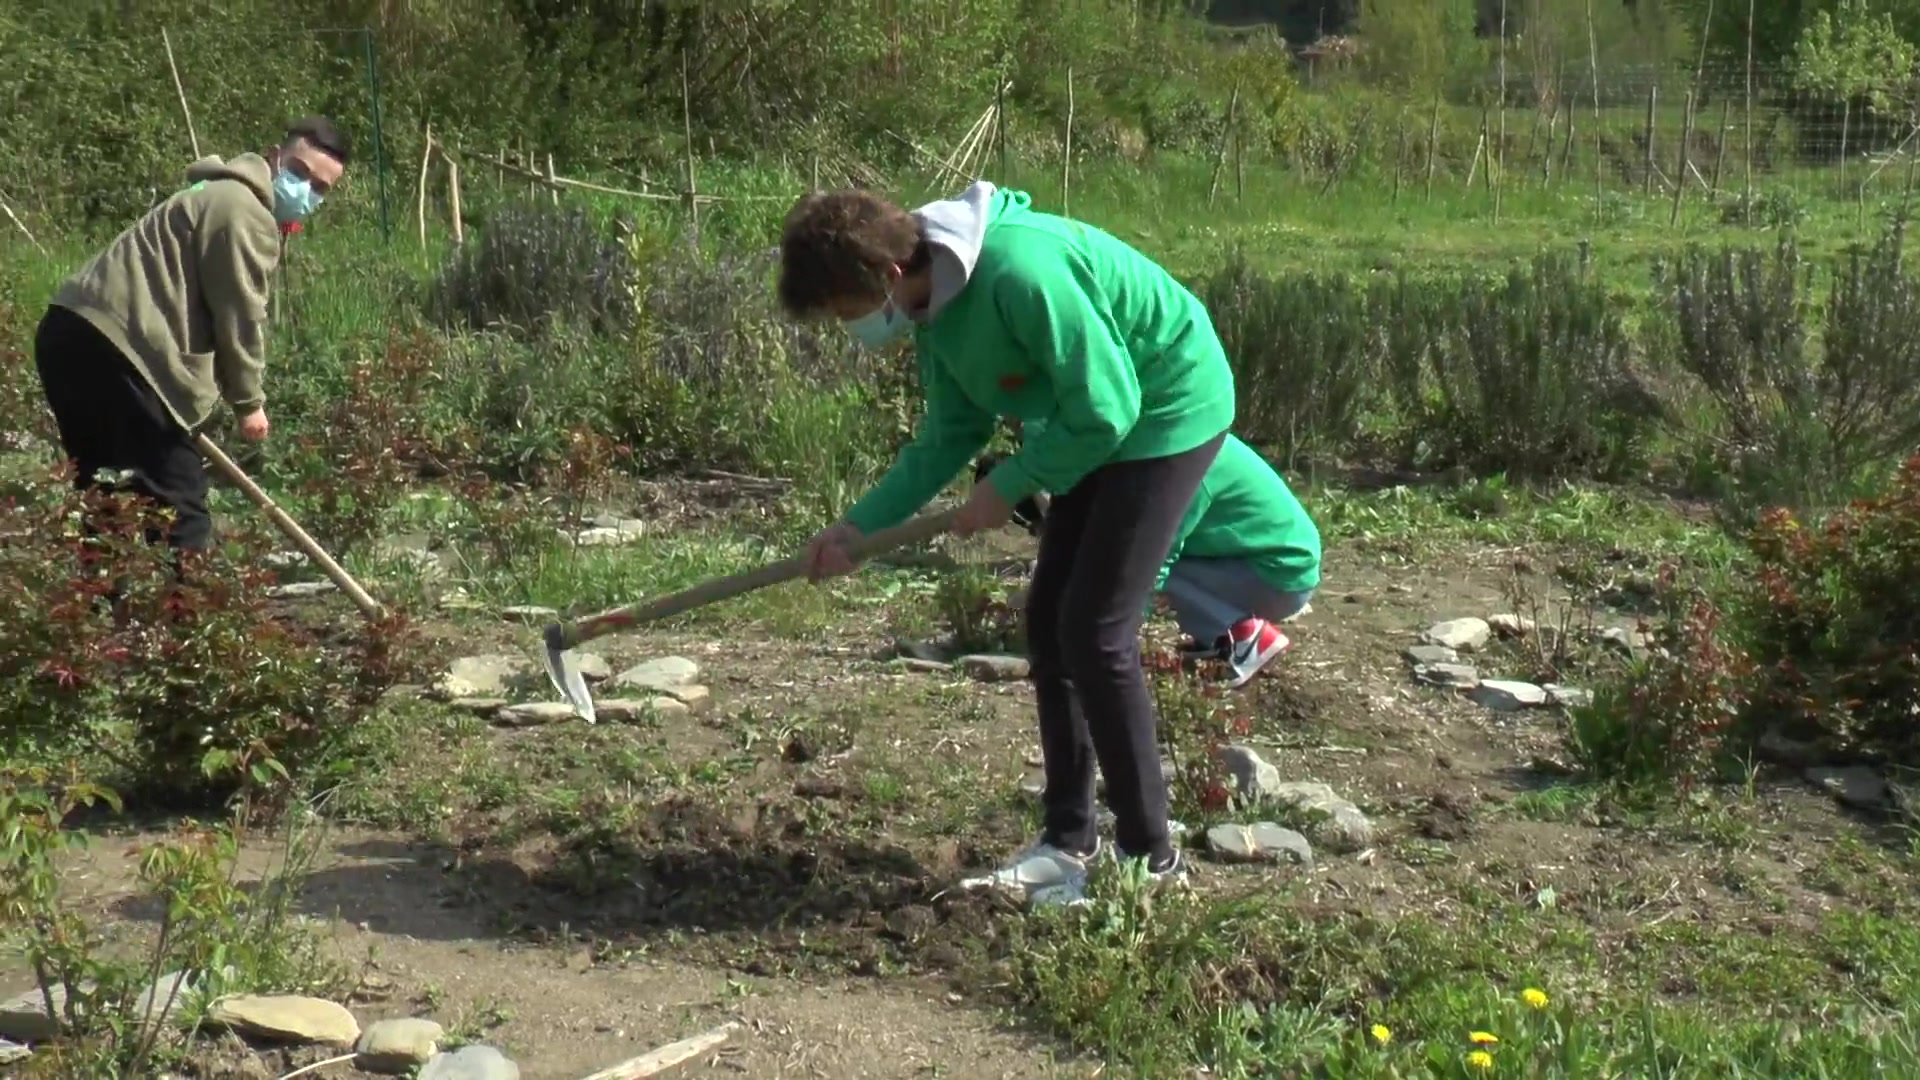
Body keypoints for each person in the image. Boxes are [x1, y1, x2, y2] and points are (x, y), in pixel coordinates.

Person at [776, 179, 1236, 906]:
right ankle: (1068, 841)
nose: (849, 329)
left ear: (889, 276)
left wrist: (1014, 482)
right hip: (1089, 424)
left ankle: (1152, 861)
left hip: (1166, 405)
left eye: (846, 313)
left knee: (1097, 628)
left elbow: (1109, 407)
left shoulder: (1021, 274)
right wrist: (860, 529)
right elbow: (947, 438)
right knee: (1050, 624)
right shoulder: (933, 304)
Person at [32, 116, 351, 557]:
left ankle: (109, 616)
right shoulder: (243, 210)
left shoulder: (213, 192)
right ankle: (187, 619)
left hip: (70, 331)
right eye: (299, 172)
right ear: (275, 157)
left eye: (320, 188)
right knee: (182, 505)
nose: (306, 190)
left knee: (109, 496)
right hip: (119, 350)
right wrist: (248, 403)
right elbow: (238, 313)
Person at [975, 423, 1321, 689]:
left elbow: (1149, 560)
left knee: (1134, 562)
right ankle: (1217, 635)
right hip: (1255, 564)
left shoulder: (1187, 465)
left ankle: (1247, 638)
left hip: (1279, 576)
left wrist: (1100, 634)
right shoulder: (1178, 441)